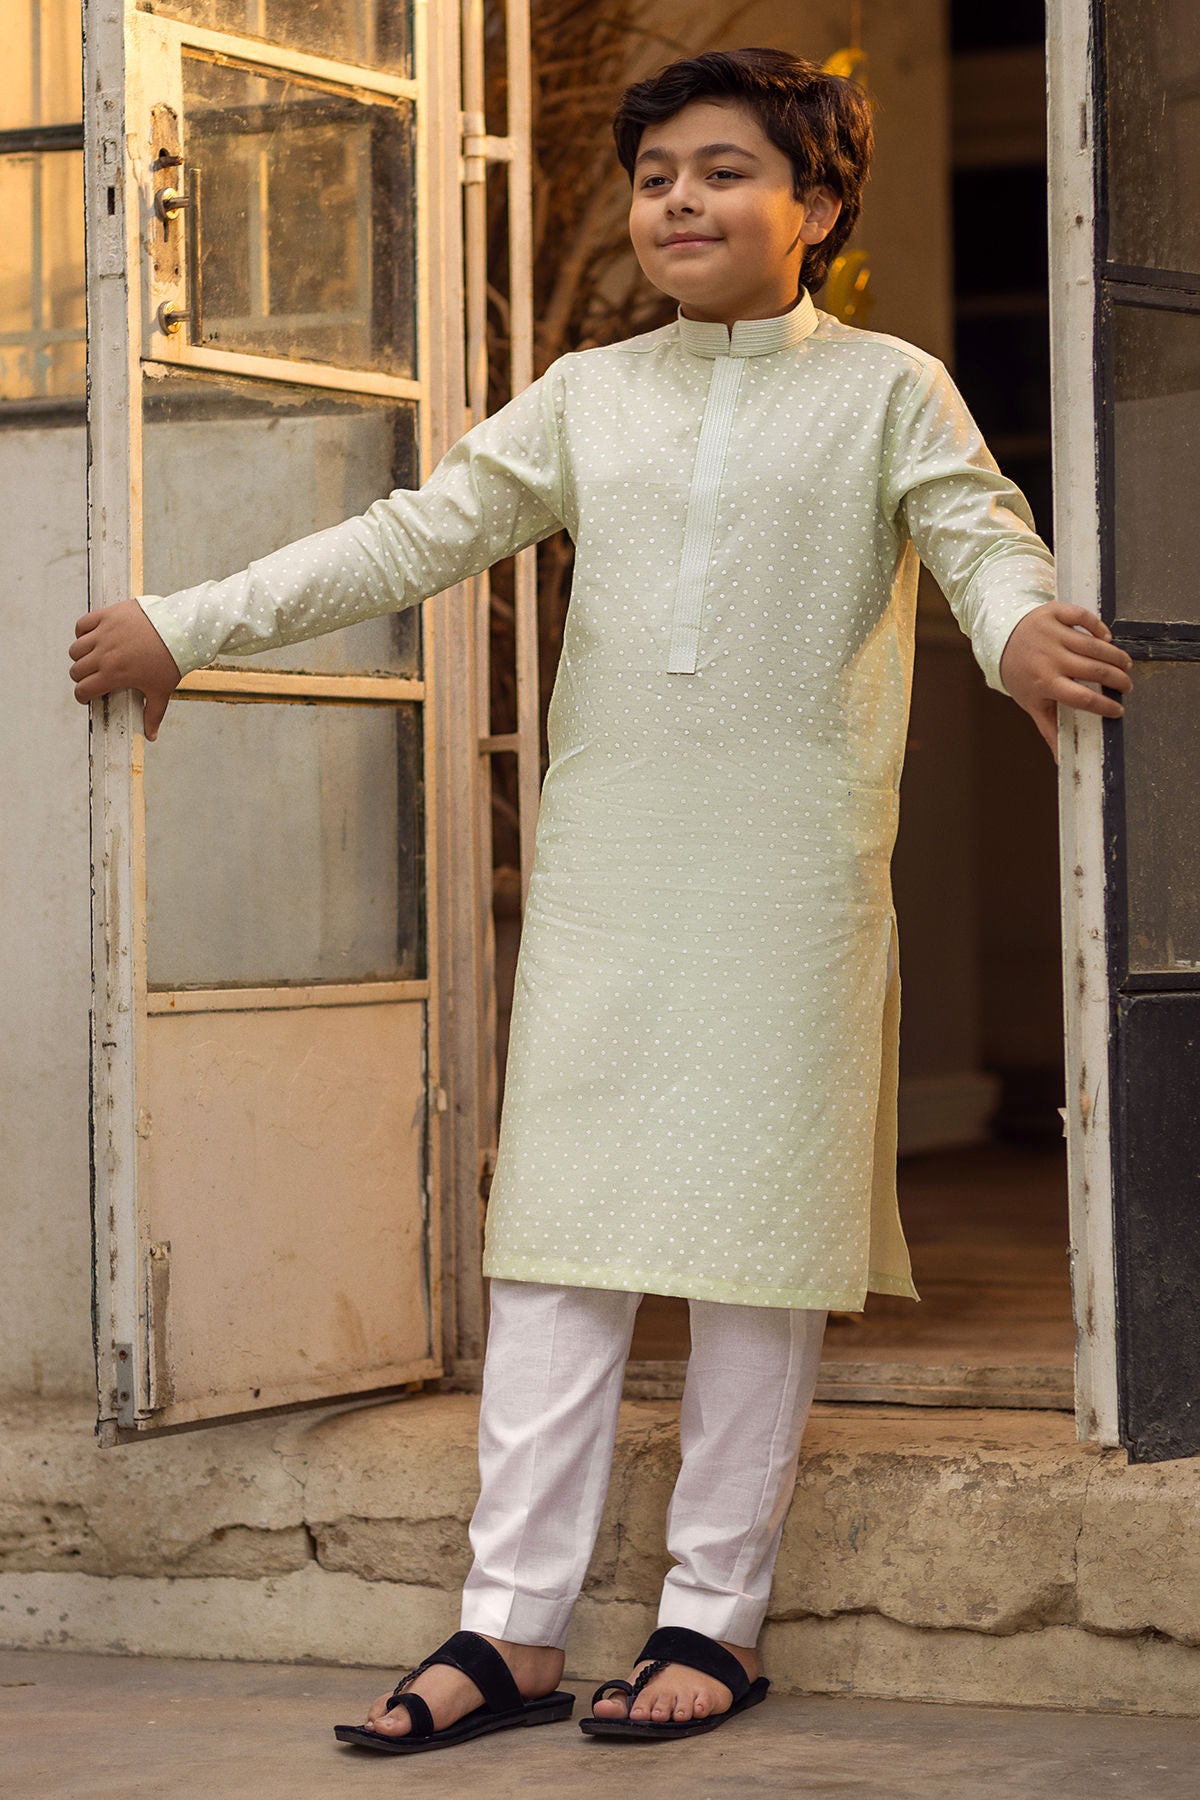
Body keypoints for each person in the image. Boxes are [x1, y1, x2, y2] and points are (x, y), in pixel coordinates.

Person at [69, 47, 1132, 1755]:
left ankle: (716, 1617)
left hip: (790, 872)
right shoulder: (587, 394)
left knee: (754, 1254)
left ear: (820, 205)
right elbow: (414, 536)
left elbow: (977, 534)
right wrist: (187, 624)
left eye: (724, 170)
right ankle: (511, 1628)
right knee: (558, 1252)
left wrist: (1019, 636)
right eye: (657, 178)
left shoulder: (890, 388)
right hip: (611, 876)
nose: (679, 201)